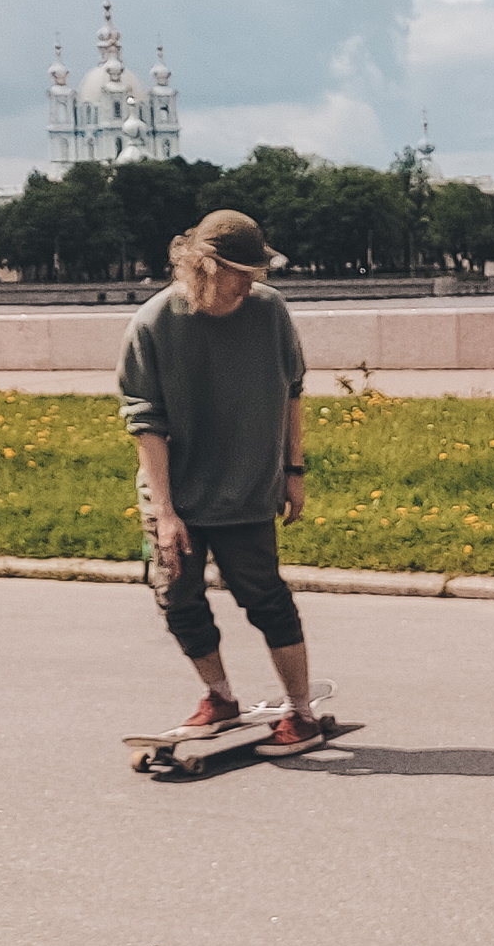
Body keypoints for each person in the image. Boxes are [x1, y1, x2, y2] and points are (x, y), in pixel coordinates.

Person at [117, 209, 339, 753]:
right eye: (241, 271)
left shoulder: (269, 312)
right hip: (176, 496)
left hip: (247, 489)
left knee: (265, 598)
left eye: (256, 270)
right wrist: (165, 514)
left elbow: (292, 390)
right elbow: (146, 425)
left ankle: (301, 711)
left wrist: (294, 471)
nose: (252, 282)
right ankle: (218, 696)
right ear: (205, 266)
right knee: (176, 597)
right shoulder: (153, 325)